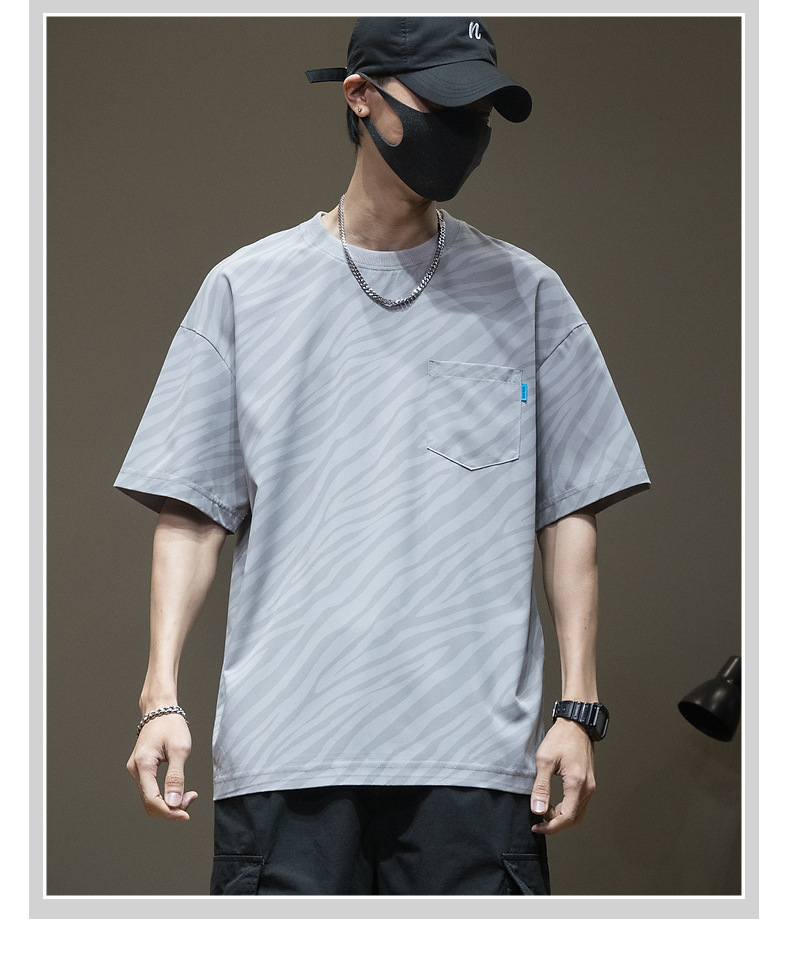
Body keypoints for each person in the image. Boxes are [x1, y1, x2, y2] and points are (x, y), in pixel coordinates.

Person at [116, 17, 650, 896]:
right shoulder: (246, 288)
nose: (464, 130)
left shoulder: (527, 294)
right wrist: (160, 696)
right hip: (287, 750)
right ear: (360, 97)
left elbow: (569, 511)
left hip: (476, 757)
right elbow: (192, 515)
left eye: (479, 111)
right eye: (442, 104)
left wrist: (578, 708)